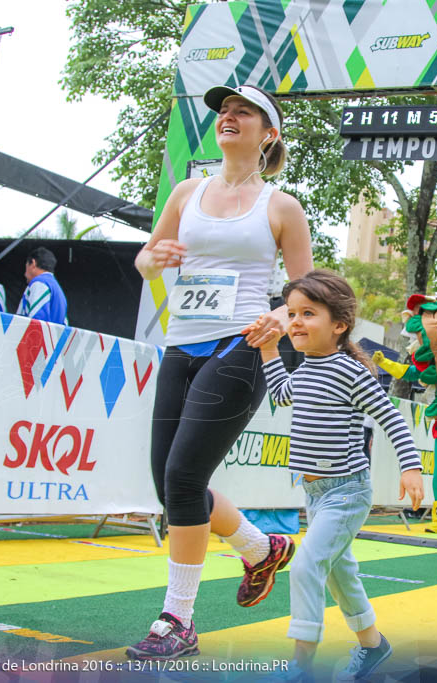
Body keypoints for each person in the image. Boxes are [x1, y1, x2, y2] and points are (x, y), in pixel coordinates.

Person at [126, 84, 314, 662]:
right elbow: (144, 257)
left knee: (183, 476)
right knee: (169, 484)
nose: (228, 117)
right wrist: (151, 259)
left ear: (268, 133)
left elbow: (309, 294)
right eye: (224, 112)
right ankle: (261, 548)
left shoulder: (281, 207)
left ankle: (176, 621)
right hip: (180, 344)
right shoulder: (188, 191)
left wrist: (280, 317)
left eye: (243, 112)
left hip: (240, 346)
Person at [248, 270, 424, 681]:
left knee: (307, 565)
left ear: (339, 325)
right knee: (340, 575)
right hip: (316, 494)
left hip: (346, 492)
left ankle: (301, 667)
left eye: (308, 313)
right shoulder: (307, 367)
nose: (295, 322)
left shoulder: (351, 371)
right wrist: (269, 351)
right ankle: (374, 645)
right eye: (291, 313)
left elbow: (390, 419)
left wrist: (411, 466)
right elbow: (281, 395)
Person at [18, 247, 68, 324]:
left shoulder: (39, 283)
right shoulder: (57, 289)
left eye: (26, 265)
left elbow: (37, 324)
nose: (24, 273)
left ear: (33, 263)